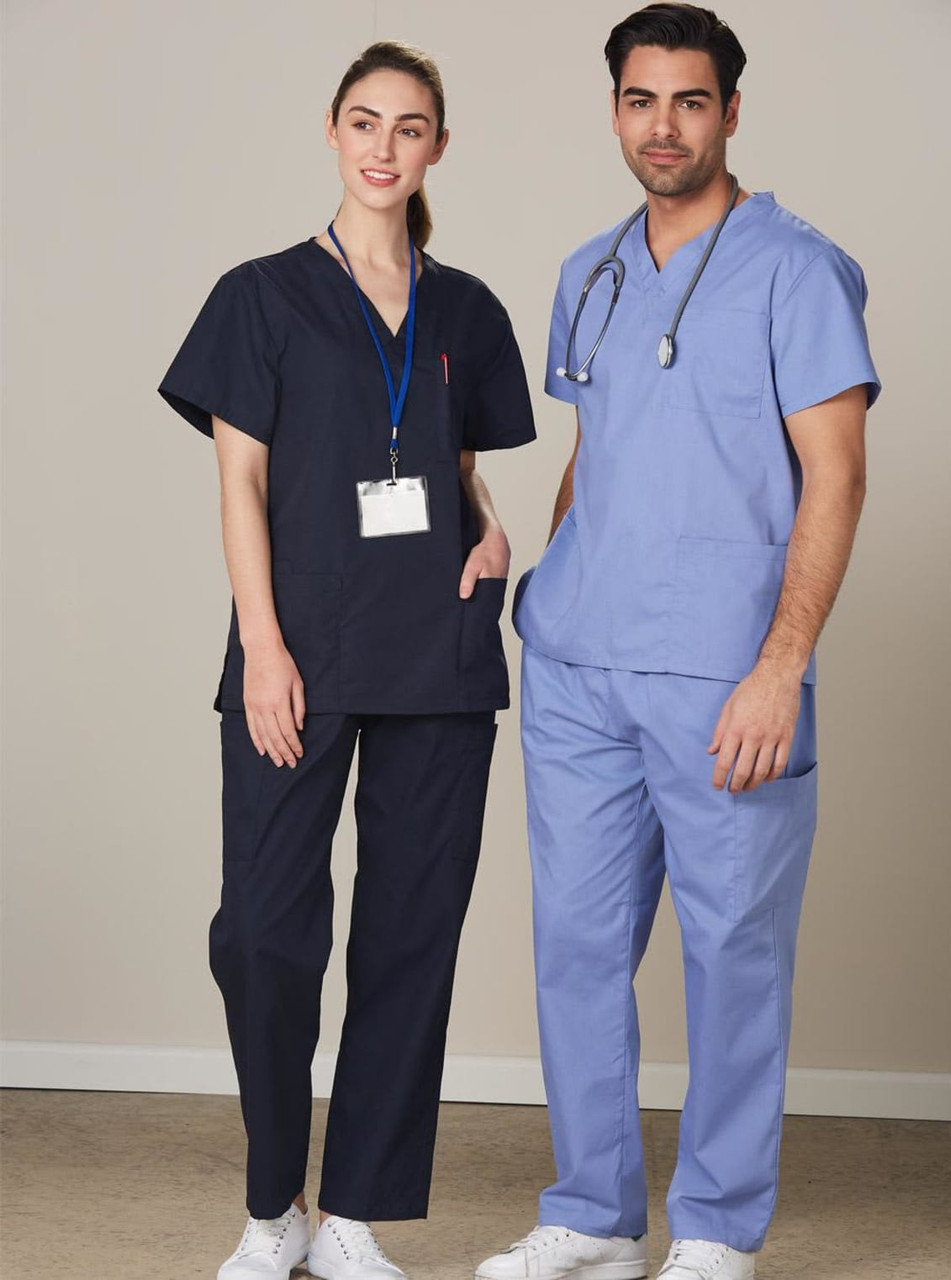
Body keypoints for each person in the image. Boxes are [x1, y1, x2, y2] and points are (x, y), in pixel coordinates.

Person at [476, 5, 880, 1280]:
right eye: (641, 101)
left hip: (723, 677)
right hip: (580, 664)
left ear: (730, 114)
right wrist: (541, 590)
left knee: (731, 954)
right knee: (579, 946)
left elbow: (836, 476)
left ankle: (713, 1229)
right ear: (614, 112)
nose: (664, 126)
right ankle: (592, 1212)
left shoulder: (797, 268)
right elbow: (597, 452)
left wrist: (780, 665)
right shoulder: (588, 271)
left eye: (690, 101)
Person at [158, 40, 536, 1280]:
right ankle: (276, 1208)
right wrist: (262, 646)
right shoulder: (259, 295)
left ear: (438, 145)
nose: (383, 147)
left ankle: (357, 1215)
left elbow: (456, 463)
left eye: (409, 127)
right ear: (331, 132)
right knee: (264, 932)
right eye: (363, 122)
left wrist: (487, 520)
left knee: (410, 934)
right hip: (299, 650)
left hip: (436, 645)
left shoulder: (467, 309)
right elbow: (241, 485)